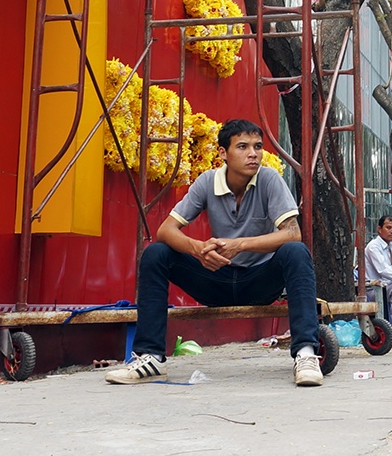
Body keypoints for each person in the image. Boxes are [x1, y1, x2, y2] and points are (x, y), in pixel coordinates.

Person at [106, 119, 323, 387]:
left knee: (296, 251)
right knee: (156, 253)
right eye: (242, 147)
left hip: (259, 283)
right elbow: (166, 230)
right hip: (214, 279)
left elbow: (292, 233)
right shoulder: (208, 182)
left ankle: (306, 354)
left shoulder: (269, 179)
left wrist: (239, 244)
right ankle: (151, 357)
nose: (253, 154)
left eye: (257, 146)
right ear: (223, 153)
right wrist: (198, 250)